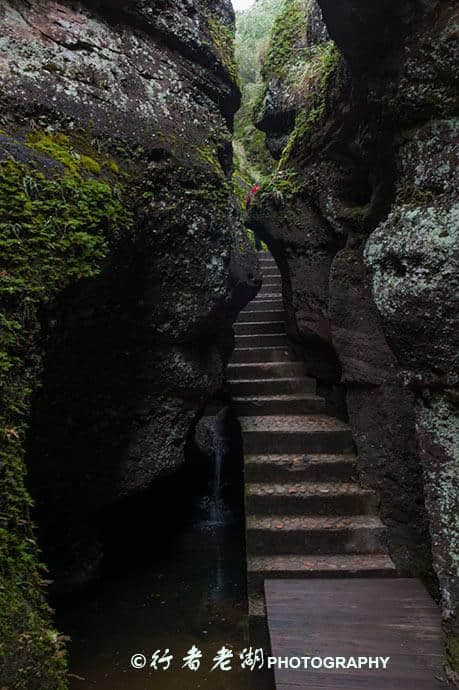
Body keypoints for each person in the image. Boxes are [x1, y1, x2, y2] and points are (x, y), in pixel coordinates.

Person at [245, 183, 263, 251]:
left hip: (254, 214)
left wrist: (248, 213)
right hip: (262, 214)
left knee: (256, 232)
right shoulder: (261, 190)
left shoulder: (252, 192)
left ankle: (259, 249)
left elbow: (247, 203)